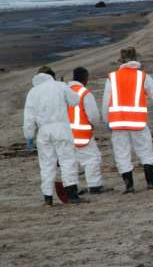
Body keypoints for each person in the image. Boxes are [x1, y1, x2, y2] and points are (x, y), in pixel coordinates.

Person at [102, 47, 153, 193]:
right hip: (137, 122)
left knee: (122, 154)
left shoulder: (112, 77)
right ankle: (151, 183)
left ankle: (129, 186)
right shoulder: (142, 76)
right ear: (137, 60)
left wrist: (107, 120)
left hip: (118, 123)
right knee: (145, 151)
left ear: (121, 61)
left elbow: (106, 101)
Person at [23, 66, 84, 206]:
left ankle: (48, 198)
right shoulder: (60, 86)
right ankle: (72, 195)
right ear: (52, 75)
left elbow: (28, 117)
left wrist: (29, 136)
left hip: (43, 132)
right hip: (61, 128)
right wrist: (67, 87)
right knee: (67, 161)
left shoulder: (32, 92)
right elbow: (75, 101)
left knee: (46, 165)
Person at [67, 67, 110, 194]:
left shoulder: (64, 91)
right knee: (92, 159)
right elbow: (93, 116)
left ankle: (71, 188)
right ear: (85, 78)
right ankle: (94, 186)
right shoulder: (84, 93)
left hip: (65, 134)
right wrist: (93, 126)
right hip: (82, 134)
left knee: (70, 162)